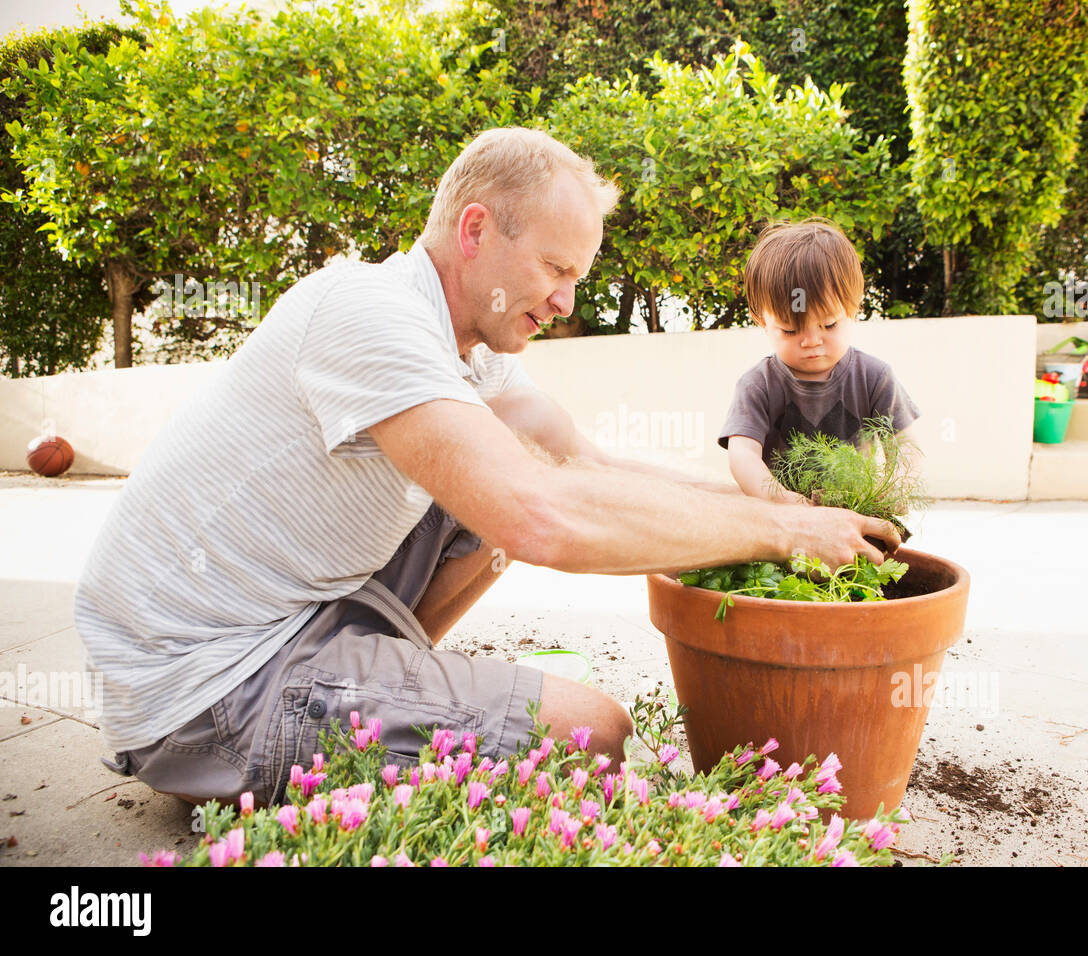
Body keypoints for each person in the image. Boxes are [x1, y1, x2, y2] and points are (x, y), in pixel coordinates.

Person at [73, 128, 901, 808]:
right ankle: (349, 712)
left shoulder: (469, 346)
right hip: (203, 690)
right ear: (474, 232)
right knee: (598, 737)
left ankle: (384, 690)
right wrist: (783, 535)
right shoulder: (368, 313)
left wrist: (780, 504)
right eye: (556, 269)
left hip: (291, 619)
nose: (569, 300)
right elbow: (540, 518)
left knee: (513, 469)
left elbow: (584, 462)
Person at [719, 218, 921, 506]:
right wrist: (786, 502)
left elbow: (905, 447)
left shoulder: (875, 377)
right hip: (782, 522)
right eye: (790, 330)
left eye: (828, 325)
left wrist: (890, 495)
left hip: (854, 511)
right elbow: (742, 455)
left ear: (853, 309)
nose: (811, 340)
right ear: (762, 321)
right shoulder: (758, 385)